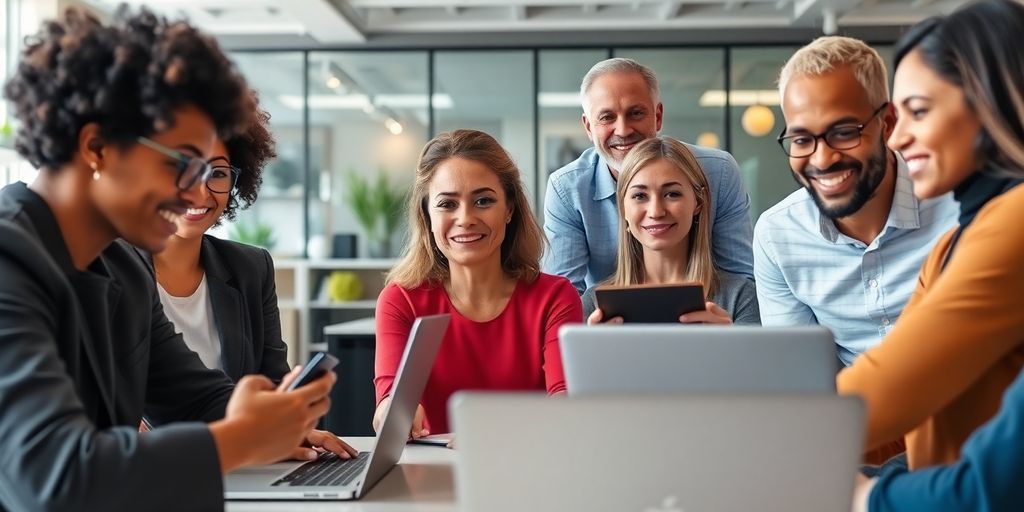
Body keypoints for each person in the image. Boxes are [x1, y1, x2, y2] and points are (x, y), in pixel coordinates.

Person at [0, 8, 353, 511]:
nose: (195, 193)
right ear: (96, 147)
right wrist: (243, 438)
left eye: (211, 170)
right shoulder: (9, 259)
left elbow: (191, 398)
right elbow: (54, 477)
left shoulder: (123, 267)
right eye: (182, 162)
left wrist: (273, 415)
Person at [838, 0, 1024, 472]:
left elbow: (880, 394)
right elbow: (914, 409)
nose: (896, 140)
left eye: (918, 112)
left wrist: (749, 435)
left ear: (990, 102)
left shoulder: (1015, 222)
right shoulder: (953, 242)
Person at [754, 36, 958, 366]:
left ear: (888, 124)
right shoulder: (777, 235)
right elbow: (800, 375)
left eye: (845, 132)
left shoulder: (959, 207)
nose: (822, 159)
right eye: (803, 139)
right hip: (849, 413)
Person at [374, 129, 582, 440]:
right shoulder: (401, 299)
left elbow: (567, 406)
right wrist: (393, 414)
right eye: (447, 204)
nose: (466, 218)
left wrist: (494, 433)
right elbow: (387, 401)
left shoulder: (554, 297)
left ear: (509, 209)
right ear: (427, 215)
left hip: (532, 467)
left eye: (483, 201)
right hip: (434, 474)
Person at [542, 57, 754, 295]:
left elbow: (740, 281)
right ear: (589, 127)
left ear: (658, 116)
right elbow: (562, 297)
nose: (623, 130)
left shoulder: (718, 171)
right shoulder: (566, 187)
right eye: (607, 117)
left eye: (636, 113)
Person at [146, 98, 290, 383]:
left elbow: (272, 380)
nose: (200, 193)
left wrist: (293, 419)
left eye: (218, 173)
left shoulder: (251, 268)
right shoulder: (108, 266)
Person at [583, 136, 759, 325]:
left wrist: (731, 342)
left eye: (672, 194)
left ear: (699, 202)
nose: (656, 211)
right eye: (640, 196)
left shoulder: (741, 297)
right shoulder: (594, 305)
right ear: (623, 208)